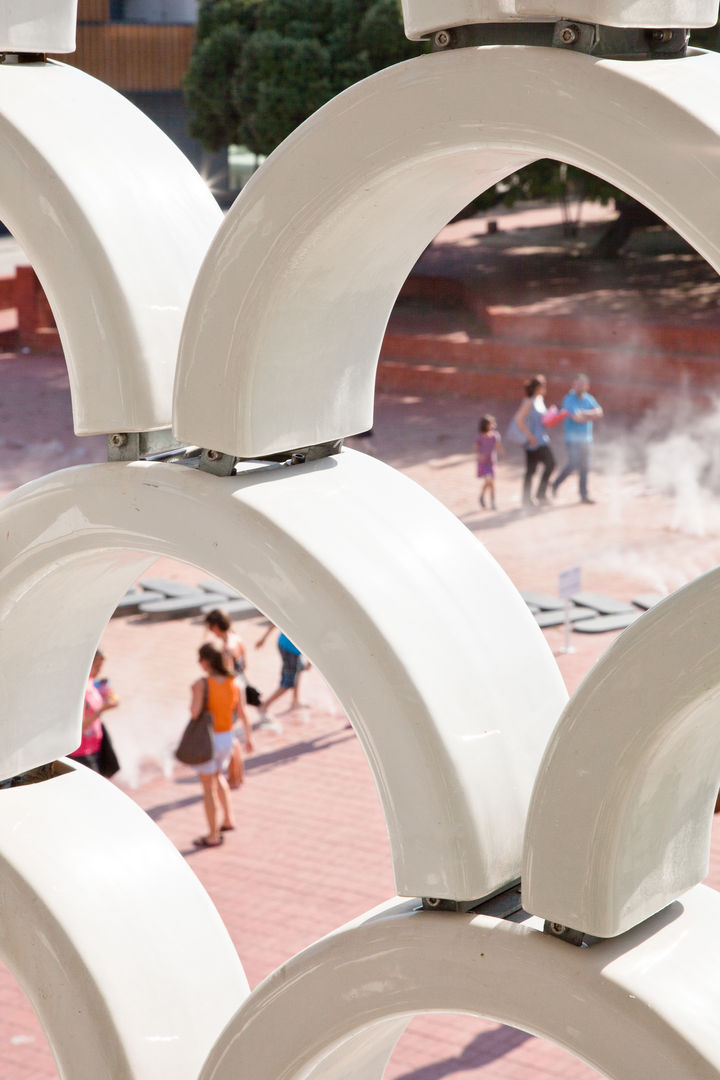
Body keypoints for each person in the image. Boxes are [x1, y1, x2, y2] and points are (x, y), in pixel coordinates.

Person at [190, 643, 247, 848]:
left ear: (206, 662)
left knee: (208, 788)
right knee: (218, 776)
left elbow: (195, 713)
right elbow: (241, 712)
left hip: (209, 740)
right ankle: (228, 819)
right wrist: (249, 738)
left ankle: (213, 835)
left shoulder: (201, 684)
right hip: (227, 738)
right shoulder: (235, 682)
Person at [204, 609, 255, 787]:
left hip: (230, 693)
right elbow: (245, 664)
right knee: (233, 737)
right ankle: (238, 776)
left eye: (211, 628)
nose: (211, 633)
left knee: (230, 739)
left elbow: (226, 674)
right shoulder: (237, 638)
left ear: (216, 626)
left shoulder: (226, 648)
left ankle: (235, 777)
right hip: (240, 686)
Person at [552, 373, 604, 504]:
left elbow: (599, 412)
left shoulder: (588, 398)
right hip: (572, 439)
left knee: (584, 467)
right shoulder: (568, 399)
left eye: (582, 384)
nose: (580, 387)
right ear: (574, 385)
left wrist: (585, 414)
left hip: (586, 439)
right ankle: (556, 484)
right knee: (573, 463)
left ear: (587, 386)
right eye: (578, 384)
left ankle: (583, 494)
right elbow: (577, 418)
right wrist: (590, 415)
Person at [69, 649, 119, 773]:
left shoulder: (91, 683)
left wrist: (106, 697)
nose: (99, 671)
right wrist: (101, 710)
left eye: (100, 666)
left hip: (94, 748)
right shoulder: (80, 691)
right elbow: (78, 727)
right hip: (80, 754)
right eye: (96, 666)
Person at [514, 374, 555, 508]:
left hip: (541, 440)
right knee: (531, 471)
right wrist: (529, 436)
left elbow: (540, 418)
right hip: (532, 442)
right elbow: (519, 419)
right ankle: (527, 499)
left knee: (550, 463)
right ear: (538, 387)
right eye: (543, 386)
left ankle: (540, 494)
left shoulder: (539, 399)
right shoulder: (529, 401)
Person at [255, 624, 310, 722]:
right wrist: (263, 638)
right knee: (288, 682)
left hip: (288, 645)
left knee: (299, 669)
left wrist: (264, 638)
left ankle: (295, 701)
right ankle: (264, 706)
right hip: (290, 648)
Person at [474, 415, 503, 510]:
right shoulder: (480, 437)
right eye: (491, 424)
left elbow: (498, 447)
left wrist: (503, 455)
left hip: (491, 462)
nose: (493, 425)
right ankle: (483, 496)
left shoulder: (495, 435)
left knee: (491, 482)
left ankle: (492, 501)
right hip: (483, 462)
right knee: (488, 481)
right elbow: (475, 448)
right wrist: (479, 455)